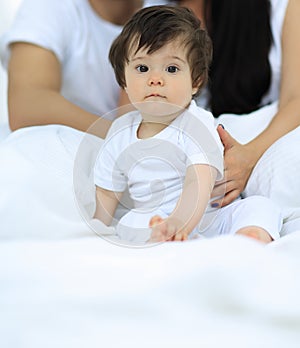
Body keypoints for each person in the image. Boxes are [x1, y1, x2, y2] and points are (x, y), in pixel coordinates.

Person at [93, 5, 282, 243]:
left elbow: (198, 180)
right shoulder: (119, 132)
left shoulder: (196, 123)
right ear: (123, 80)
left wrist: (180, 222)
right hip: (157, 217)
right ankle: (169, 243)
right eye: (142, 68)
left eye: (171, 69)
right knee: (131, 222)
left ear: (196, 81)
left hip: (212, 215)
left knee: (260, 207)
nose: (155, 79)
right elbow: (107, 191)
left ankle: (247, 240)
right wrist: (95, 227)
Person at [168, 0, 300, 214]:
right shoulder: (157, 12)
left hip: (264, 137)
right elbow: (133, 113)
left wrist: (248, 157)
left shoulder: (285, 6)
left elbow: (296, 99)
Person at [0, 0, 148, 138]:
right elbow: (27, 105)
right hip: (57, 147)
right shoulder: (51, 6)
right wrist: (121, 137)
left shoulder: (164, 15)